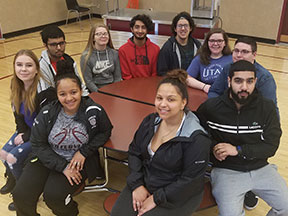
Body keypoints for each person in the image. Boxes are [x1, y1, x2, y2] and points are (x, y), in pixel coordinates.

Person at [12, 61, 113, 216]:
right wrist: (62, 167)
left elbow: (105, 131)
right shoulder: (47, 113)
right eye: (62, 94)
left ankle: (70, 211)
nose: (69, 98)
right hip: (47, 158)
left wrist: (84, 152)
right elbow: (38, 144)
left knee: (54, 196)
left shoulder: (94, 110)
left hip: (76, 163)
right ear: (57, 94)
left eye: (74, 92)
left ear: (81, 91)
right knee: (20, 195)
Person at [111, 69, 211, 216]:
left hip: (178, 194)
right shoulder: (150, 122)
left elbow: (190, 181)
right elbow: (134, 152)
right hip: (146, 182)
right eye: (159, 98)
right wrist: (137, 184)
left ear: (183, 102)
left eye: (171, 99)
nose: (163, 104)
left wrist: (156, 199)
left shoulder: (196, 138)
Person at [197, 60, 288, 216]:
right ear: (229, 81)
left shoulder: (267, 108)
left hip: (261, 168)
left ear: (255, 82)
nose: (244, 87)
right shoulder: (211, 108)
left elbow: (271, 146)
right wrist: (213, 148)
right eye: (238, 81)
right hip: (227, 171)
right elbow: (197, 135)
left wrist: (238, 150)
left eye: (249, 81)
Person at [0, 49, 56, 211]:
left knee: (14, 157)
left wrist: (26, 137)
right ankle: (13, 180)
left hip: (41, 135)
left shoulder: (45, 91)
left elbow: (47, 124)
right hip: (27, 131)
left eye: (28, 65)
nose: (23, 69)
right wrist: (20, 132)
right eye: (19, 65)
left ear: (37, 69)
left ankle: (25, 193)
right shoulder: (15, 84)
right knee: (4, 153)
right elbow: (17, 112)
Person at [208, 37, 278, 115]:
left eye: (244, 52)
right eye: (236, 51)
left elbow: (270, 108)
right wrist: (217, 107)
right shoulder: (227, 68)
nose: (238, 55)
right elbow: (214, 91)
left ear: (254, 55)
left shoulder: (265, 78)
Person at [38, 25, 88, 95]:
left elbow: (80, 85)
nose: (59, 48)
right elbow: (45, 94)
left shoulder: (69, 60)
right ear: (45, 45)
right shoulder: (41, 66)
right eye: (53, 44)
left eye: (61, 43)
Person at [186, 28, 232, 93]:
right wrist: (204, 86)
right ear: (207, 42)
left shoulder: (232, 58)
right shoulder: (199, 58)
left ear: (225, 43)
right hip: (206, 94)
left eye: (219, 41)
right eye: (212, 41)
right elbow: (187, 78)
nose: (215, 44)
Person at [157, 11, 201, 76]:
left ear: (190, 28)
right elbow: (161, 72)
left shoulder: (197, 45)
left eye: (186, 25)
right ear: (175, 29)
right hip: (175, 83)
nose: (183, 29)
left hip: (194, 82)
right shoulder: (167, 48)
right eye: (180, 26)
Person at [80, 24, 122, 92]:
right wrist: (99, 93)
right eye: (98, 34)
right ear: (93, 38)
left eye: (105, 34)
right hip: (95, 91)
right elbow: (88, 81)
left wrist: (114, 91)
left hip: (113, 90)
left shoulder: (114, 53)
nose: (103, 36)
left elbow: (117, 77)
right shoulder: (86, 56)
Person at [118, 14, 160, 80]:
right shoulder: (123, 50)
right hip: (130, 87)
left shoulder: (155, 49)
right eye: (137, 27)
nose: (140, 31)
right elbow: (126, 76)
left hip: (150, 86)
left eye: (143, 27)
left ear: (147, 30)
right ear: (132, 29)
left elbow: (154, 74)